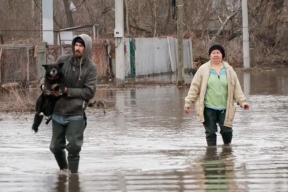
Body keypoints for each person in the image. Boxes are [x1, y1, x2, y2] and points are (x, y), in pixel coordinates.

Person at [40, 34, 97, 173]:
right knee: (55, 147)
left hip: (76, 113)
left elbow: (89, 92)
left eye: (81, 46)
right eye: (76, 45)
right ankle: (64, 171)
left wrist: (67, 91)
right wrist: (43, 85)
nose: (77, 48)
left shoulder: (91, 68)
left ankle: (73, 178)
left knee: (73, 147)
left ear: (86, 48)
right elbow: (48, 76)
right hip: (57, 111)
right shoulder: (62, 60)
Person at [184, 44, 249, 146]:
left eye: (218, 53)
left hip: (225, 107)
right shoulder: (203, 69)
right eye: (213, 53)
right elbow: (195, 87)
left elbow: (236, 88)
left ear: (222, 55)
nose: (216, 55)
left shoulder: (229, 70)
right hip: (208, 107)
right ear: (210, 55)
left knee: (227, 131)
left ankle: (227, 152)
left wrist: (243, 102)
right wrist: (188, 103)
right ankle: (211, 156)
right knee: (210, 132)